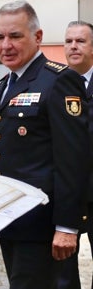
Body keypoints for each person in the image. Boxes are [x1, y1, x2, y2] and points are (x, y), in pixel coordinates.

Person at [0, 0, 89, 288]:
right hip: (14, 222)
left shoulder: (59, 81)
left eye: (15, 36)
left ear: (37, 37)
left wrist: (67, 226)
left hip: (45, 227)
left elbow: (74, 159)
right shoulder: (9, 82)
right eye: (0, 37)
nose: (6, 45)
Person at [57, 20, 93, 289]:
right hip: (66, 196)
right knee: (63, 275)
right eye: (69, 41)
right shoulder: (55, 85)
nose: (73, 46)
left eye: (80, 41)